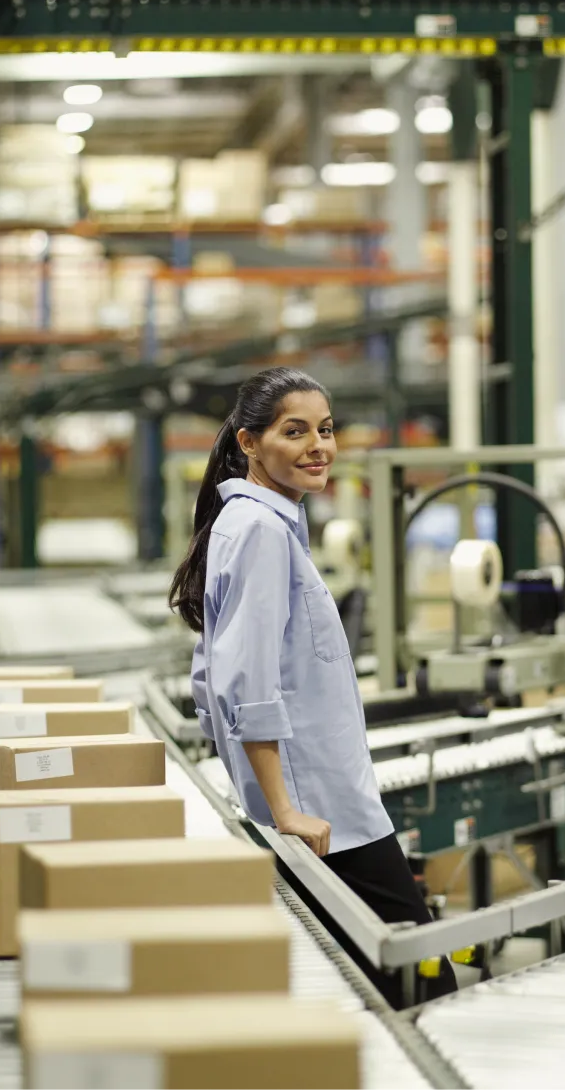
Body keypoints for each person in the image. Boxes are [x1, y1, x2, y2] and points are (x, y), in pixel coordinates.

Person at [169, 366, 456, 1002]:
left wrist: (254, 789)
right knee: (425, 977)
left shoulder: (249, 524)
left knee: (359, 984)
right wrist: (285, 807)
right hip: (325, 816)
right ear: (249, 443)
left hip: (319, 803)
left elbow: (207, 673)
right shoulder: (262, 532)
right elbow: (245, 683)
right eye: (294, 432)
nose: (317, 446)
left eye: (325, 430)